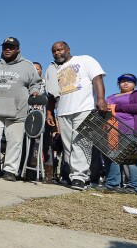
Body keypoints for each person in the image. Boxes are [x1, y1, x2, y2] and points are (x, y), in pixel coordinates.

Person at [44, 41, 106, 190]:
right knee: (68, 146)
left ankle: (80, 176)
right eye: (54, 51)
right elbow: (51, 94)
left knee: (81, 143)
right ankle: (74, 176)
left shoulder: (85, 60)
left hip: (83, 108)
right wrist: (49, 111)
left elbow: (97, 79)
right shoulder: (53, 69)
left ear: (68, 49)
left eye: (60, 49)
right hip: (63, 111)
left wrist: (101, 99)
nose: (57, 53)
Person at [0, 37, 41, 181]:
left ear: (17, 49)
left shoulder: (27, 66)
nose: (7, 49)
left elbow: (35, 83)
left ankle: (10, 171)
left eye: (11, 47)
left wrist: (35, 91)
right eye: (5, 47)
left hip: (18, 110)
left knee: (14, 141)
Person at [102, 73, 137, 195]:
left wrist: (116, 107)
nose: (125, 83)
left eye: (129, 81)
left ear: (135, 84)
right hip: (112, 130)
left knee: (132, 158)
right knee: (113, 157)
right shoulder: (112, 96)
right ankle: (112, 184)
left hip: (131, 130)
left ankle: (135, 187)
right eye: (122, 81)